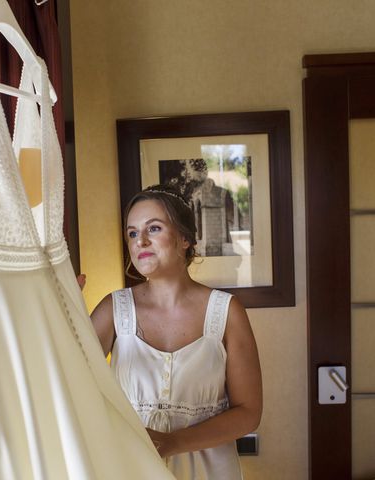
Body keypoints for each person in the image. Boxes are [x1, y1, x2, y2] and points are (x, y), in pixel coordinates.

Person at [90, 184, 262, 479]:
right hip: (132, 466)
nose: (140, 241)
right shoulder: (113, 309)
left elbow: (248, 413)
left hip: (210, 471)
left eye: (153, 229)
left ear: (184, 238)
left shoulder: (226, 312)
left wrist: (172, 443)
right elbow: (67, 376)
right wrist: (61, 306)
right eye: (132, 233)